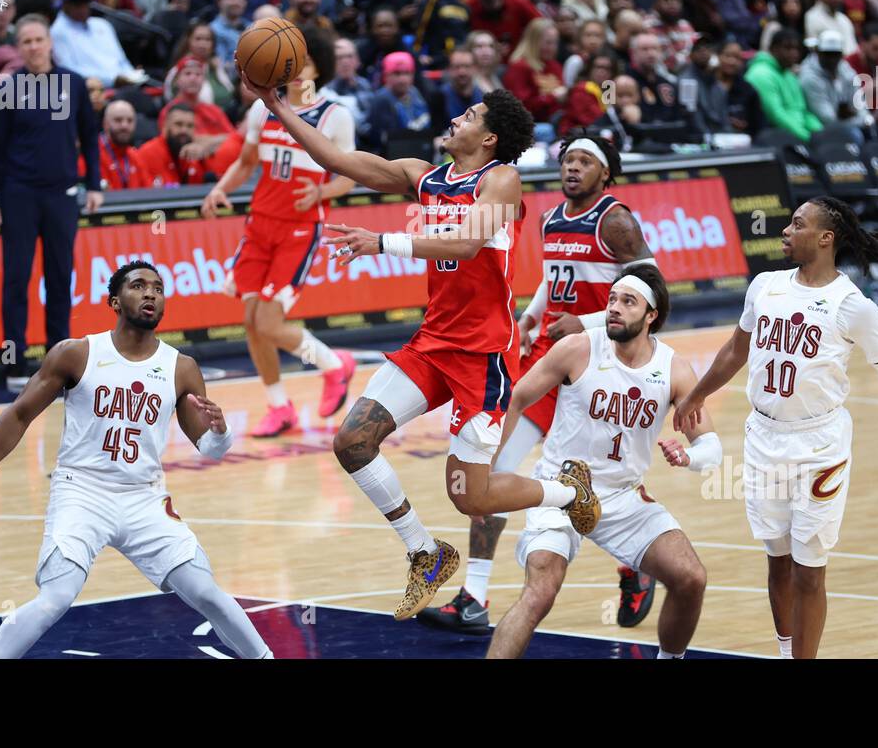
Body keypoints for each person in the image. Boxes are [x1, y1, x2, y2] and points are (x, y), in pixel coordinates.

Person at [241, 75, 600, 620]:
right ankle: (425, 553)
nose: (457, 117)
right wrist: (276, 106)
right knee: (352, 441)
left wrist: (382, 241)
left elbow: (467, 242)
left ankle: (568, 492)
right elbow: (336, 160)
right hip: (433, 344)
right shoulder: (424, 176)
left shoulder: (501, 181)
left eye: (471, 115)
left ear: (488, 139)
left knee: (469, 497)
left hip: (483, 356)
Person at [674, 196, 878, 658]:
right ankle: (787, 651)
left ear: (825, 238)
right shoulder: (764, 286)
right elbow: (734, 350)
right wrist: (696, 394)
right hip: (762, 438)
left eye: (797, 224)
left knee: (810, 569)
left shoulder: (853, 307)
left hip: (819, 445)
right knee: (778, 561)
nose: (786, 231)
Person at [0, 261, 273, 660]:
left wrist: (221, 432)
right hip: (82, 492)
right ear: (115, 302)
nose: (150, 293)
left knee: (207, 592)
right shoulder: (76, 354)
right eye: (139, 286)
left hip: (145, 498)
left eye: (158, 287)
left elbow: (209, 449)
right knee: (56, 598)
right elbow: (18, 415)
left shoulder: (180, 367)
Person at [421, 132, 658, 634]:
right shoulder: (550, 218)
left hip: (600, 370)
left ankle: (636, 563)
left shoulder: (614, 221)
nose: (572, 168)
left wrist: (588, 323)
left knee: (608, 480)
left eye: (584, 161)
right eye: (567, 160)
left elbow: (654, 291)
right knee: (491, 470)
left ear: (605, 173)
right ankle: (474, 598)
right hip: (550, 365)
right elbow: (555, 282)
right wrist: (530, 317)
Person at [486, 263, 717, 659]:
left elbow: (710, 446)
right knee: (540, 592)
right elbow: (517, 398)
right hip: (559, 489)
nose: (614, 308)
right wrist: (489, 470)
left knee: (691, 578)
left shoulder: (674, 369)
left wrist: (689, 456)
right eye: (612, 299)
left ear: (651, 315)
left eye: (628, 301)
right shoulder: (579, 347)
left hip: (623, 496)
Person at [201, 30, 357, 436]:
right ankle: (279, 406)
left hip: (300, 230)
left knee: (269, 322)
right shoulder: (262, 110)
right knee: (252, 321)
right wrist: (221, 188)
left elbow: (349, 178)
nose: (289, 68)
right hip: (260, 224)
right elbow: (246, 161)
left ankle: (333, 364)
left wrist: (322, 190)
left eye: (298, 61)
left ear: (316, 66)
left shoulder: (334, 115)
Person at [0, 15, 103, 391]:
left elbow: (90, 135)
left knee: (59, 279)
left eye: (39, 39)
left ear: (50, 42)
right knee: (16, 279)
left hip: (62, 194)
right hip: (18, 193)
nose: (33, 46)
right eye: (26, 41)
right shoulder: (8, 88)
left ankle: (58, 360)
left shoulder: (74, 83)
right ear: (19, 47)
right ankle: (14, 361)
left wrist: (94, 184)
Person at [89, 99, 148, 190]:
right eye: (118, 120)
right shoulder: (91, 154)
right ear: (105, 124)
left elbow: (149, 193)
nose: (125, 125)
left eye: (130, 121)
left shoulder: (136, 156)